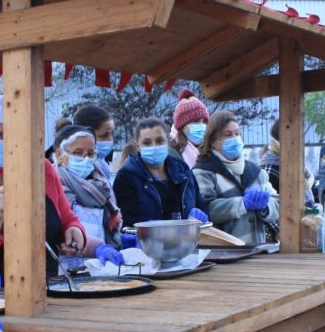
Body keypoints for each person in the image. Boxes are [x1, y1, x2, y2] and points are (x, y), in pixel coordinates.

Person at [0, 95, 85, 274]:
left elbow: (66, 217)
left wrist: (74, 231)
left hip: (48, 282)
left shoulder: (42, 168)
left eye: (6, 134)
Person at [193, 110, 279, 244]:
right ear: (213, 142)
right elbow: (205, 208)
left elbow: (278, 203)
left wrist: (266, 206)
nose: (235, 138)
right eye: (228, 134)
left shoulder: (256, 172)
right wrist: (241, 204)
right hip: (225, 252)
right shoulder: (203, 172)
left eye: (237, 133)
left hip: (259, 251)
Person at [114, 117, 209, 226]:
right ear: (138, 146)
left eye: (159, 141)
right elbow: (126, 222)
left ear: (167, 141)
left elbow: (201, 207)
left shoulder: (183, 171)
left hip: (186, 240)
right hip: (149, 242)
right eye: (147, 143)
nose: (154, 146)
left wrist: (201, 216)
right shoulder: (127, 177)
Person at [51, 124, 125, 260]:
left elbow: (105, 226)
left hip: (99, 268)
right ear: (59, 155)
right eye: (78, 153)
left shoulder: (102, 185)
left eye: (90, 154)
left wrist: (119, 238)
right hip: (63, 272)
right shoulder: (52, 185)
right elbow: (59, 230)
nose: (85, 159)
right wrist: (97, 247)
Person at [71, 104, 116, 173]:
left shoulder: (101, 164)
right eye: (104, 135)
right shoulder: (78, 170)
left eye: (111, 133)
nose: (110, 140)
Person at [171, 88, 209, 168]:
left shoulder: (211, 151)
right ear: (182, 126)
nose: (202, 126)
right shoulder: (171, 154)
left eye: (204, 122)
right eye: (195, 121)